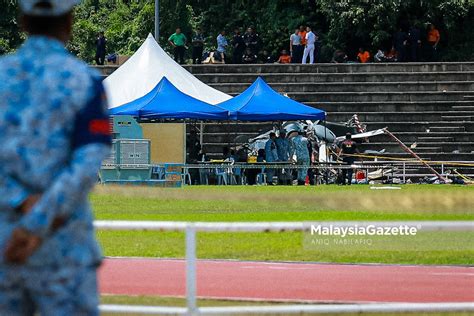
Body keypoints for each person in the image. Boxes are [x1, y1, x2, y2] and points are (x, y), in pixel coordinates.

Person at [0, 0, 112, 314]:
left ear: (23, 21)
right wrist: (39, 220)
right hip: (63, 246)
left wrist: (20, 201)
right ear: (69, 22)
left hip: (5, 243)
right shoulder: (85, 81)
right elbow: (88, 162)